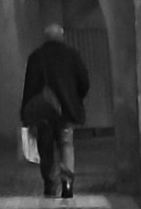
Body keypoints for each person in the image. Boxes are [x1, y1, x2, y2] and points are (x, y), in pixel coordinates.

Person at [20, 23, 90, 198]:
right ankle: (67, 183)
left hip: (44, 111)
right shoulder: (72, 55)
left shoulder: (36, 57)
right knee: (66, 144)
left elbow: (29, 87)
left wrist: (26, 113)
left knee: (46, 148)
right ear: (61, 36)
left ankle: (49, 184)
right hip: (67, 110)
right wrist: (76, 98)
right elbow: (84, 81)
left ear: (46, 38)